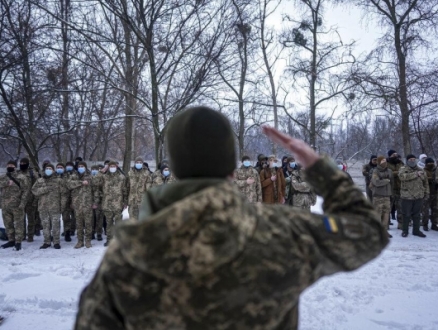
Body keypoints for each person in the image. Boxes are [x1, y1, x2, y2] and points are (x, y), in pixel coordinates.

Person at [74, 106, 388, 330]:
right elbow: (369, 230)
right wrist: (319, 168)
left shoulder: (127, 253)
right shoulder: (285, 232)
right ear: (231, 169)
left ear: (176, 168)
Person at [31, 163, 68, 249]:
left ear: (53, 170)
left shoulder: (59, 181)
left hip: (55, 207)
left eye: (50, 168)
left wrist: (62, 206)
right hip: (43, 207)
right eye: (47, 168)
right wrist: (45, 189)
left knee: (56, 226)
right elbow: (34, 190)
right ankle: (46, 242)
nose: (48, 170)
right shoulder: (40, 180)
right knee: (45, 226)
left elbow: (64, 194)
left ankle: (56, 242)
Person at [93, 161, 128, 247]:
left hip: (118, 204)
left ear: (116, 166)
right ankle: (109, 240)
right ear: (108, 167)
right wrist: (101, 171)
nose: (112, 167)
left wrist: (125, 201)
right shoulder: (104, 177)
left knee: (118, 223)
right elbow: (94, 182)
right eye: (110, 166)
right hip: (107, 204)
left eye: (113, 166)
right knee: (109, 224)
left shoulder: (121, 177)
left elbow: (125, 190)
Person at [0, 160, 30, 251]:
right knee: (8, 224)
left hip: (17, 205)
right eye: (8, 165)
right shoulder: (3, 177)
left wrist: (22, 203)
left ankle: (18, 242)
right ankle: (11, 240)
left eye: (12, 165)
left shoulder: (21, 177)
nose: (10, 166)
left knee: (18, 224)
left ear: (15, 167)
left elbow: (26, 191)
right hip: (5, 205)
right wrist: (6, 183)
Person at [399, 154, 429, 238]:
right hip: (407, 196)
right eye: (410, 159)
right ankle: (405, 230)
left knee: (417, 215)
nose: (412, 161)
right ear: (407, 160)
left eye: (413, 159)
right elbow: (402, 177)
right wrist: (415, 174)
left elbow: (425, 182)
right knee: (406, 214)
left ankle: (416, 230)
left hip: (418, 196)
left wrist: (426, 193)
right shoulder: (403, 169)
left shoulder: (421, 170)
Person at [68, 161, 96, 248]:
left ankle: (88, 241)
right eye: (79, 166)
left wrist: (95, 202)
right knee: (79, 224)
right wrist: (81, 183)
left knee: (88, 223)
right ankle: (80, 241)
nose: (80, 167)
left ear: (85, 167)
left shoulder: (90, 177)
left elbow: (95, 190)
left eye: (82, 166)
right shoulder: (73, 176)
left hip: (88, 204)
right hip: (77, 204)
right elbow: (69, 185)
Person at [17, 157, 39, 241]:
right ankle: (22, 235)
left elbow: (36, 186)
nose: (22, 164)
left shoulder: (32, 173)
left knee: (31, 219)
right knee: (21, 219)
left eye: (24, 163)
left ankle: (30, 235)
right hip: (20, 200)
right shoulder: (18, 173)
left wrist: (35, 199)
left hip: (30, 199)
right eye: (21, 163)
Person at [371, 156, 393, 238]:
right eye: (382, 160)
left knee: (386, 214)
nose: (384, 162)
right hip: (378, 196)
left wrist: (391, 192)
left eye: (385, 160)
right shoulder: (375, 171)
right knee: (378, 214)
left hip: (387, 196)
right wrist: (386, 181)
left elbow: (392, 182)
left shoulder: (389, 171)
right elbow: (376, 182)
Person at [127, 157, 152, 221]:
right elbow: (127, 187)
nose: (139, 164)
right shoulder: (130, 173)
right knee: (132, 219)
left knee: (142, 219)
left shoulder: (146, 173)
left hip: (142, 200)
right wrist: (125, 200)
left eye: (140, 162)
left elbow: (148, 187)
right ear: (134, 163)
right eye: (137, 162)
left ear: (142, 163)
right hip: (132, 200)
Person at [387, 150, 404, 229]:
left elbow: (404, 171)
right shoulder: (386, 163)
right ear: (390, 155)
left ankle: (400, 224)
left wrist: (397, 173)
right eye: (393, 154)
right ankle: (386, 223)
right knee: (388, 207)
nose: (395, 155)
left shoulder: (400, 163)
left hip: (400, 187)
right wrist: (398, 172)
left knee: (400, 207)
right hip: (390, 188)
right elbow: (387, 173)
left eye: (396, 154)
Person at [422, 158, 438, 231]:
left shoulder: (436, 170)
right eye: (429, 163)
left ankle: (434, 224)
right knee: (425, 210)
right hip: (427, 193)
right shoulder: (423, 170)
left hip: (435, 193)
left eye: (432, 162)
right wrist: (432, 179)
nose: (431, 164)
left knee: (435, 210)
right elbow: (423, 179)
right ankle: (425, 224)